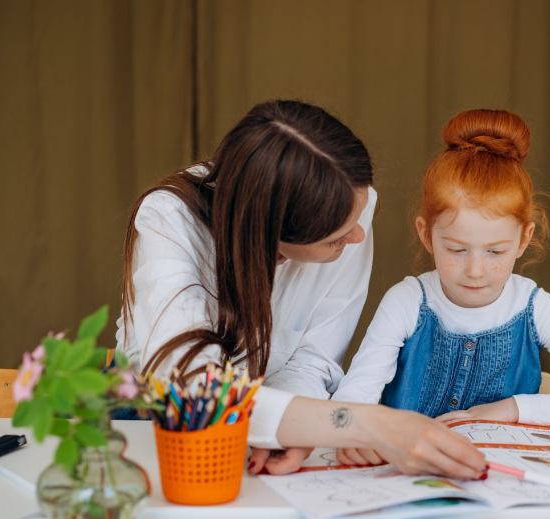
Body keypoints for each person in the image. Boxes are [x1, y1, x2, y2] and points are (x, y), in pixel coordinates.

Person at [116, 100, 486, 479]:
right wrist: (374, 424)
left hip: (271, 426)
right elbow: (195, 391)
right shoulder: (169, 219)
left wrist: (295, 429)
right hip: (151, 426)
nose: (357, 236)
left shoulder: (348, 204)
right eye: (335, 240)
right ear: (269, 231)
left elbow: (313, 358)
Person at [331, 109, 550, 466]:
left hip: (502, 479)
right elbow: (356, 395)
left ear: (524, 240)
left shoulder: (535, 307)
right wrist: (352, 428)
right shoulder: (406, 301)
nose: (475, 271)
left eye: (495, 251)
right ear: (425, 234)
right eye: (457, 250)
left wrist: (510, 409)